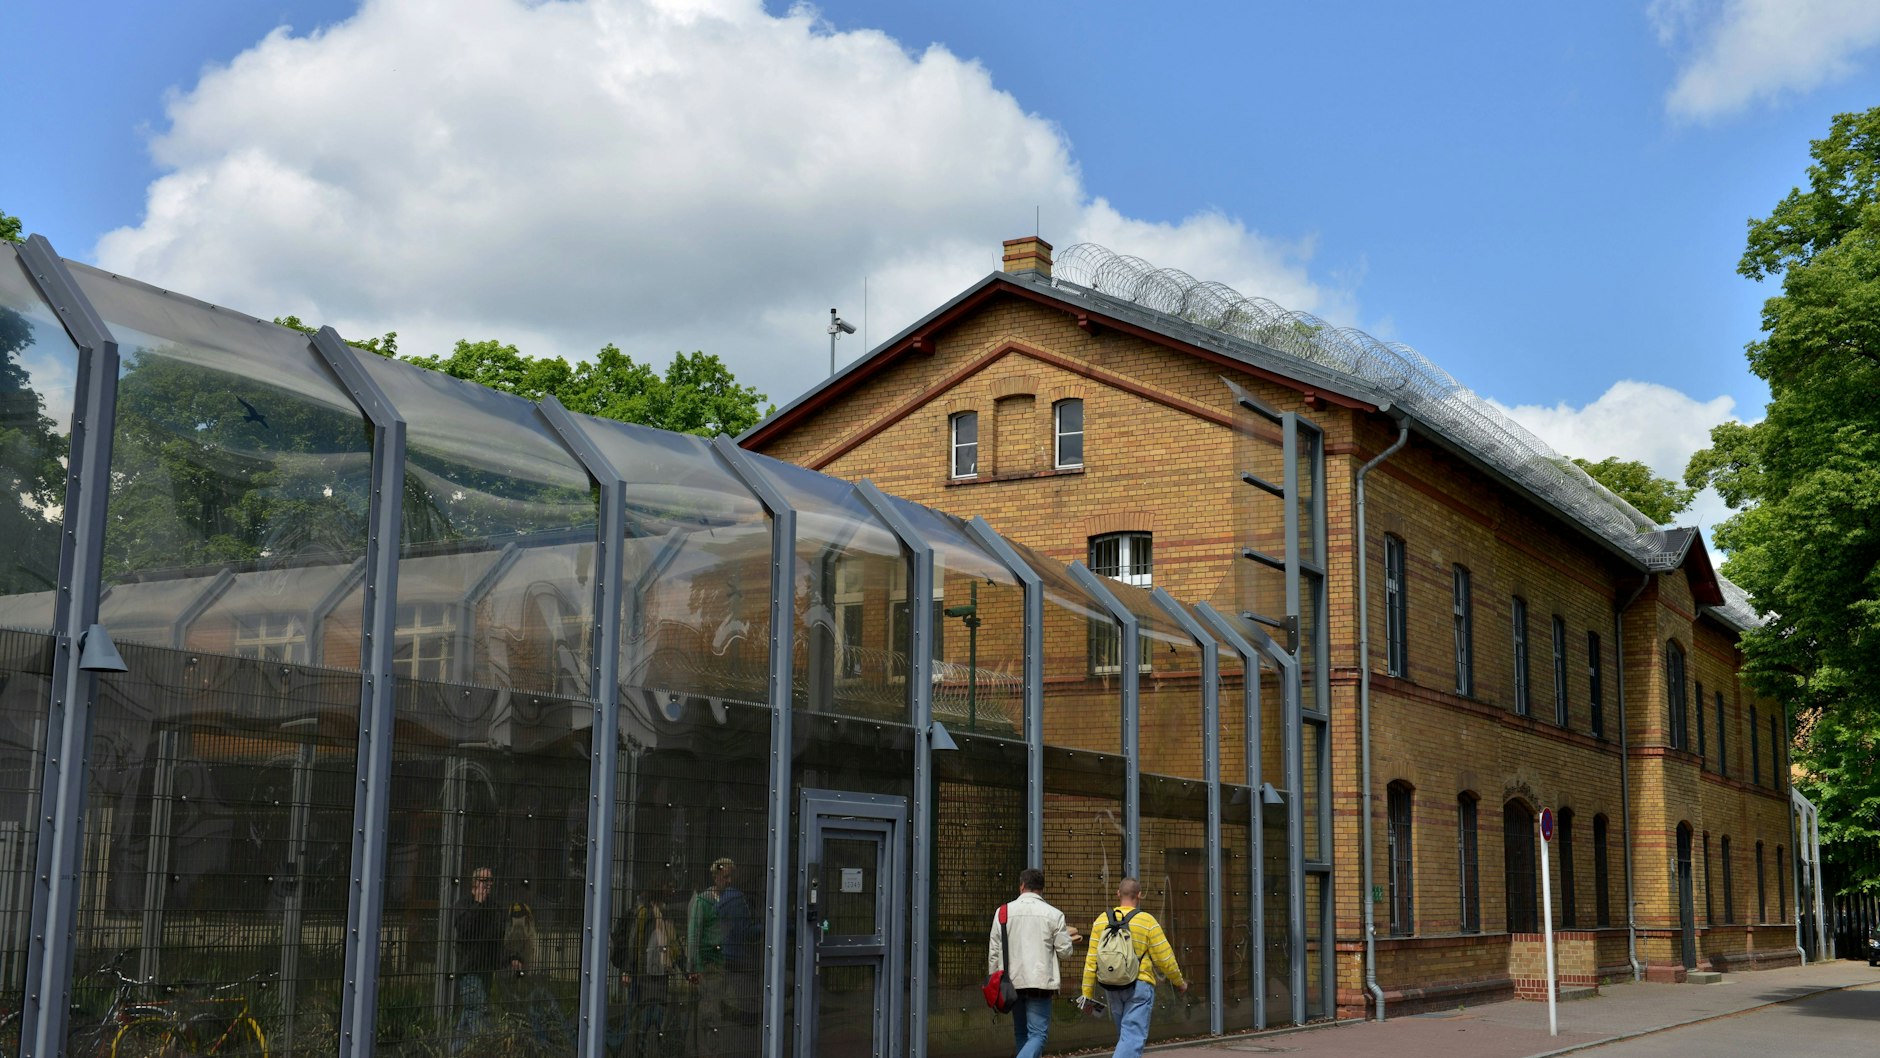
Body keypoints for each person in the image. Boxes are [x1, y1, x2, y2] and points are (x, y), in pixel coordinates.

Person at [1079, 877, 1187, 1058]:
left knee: (1126, 1037)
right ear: (1139, 895)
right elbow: (1165, 958)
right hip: (1139, 986)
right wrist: (1179, 982)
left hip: (1112, 986)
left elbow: (1091, 962)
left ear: (1118, 894)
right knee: (1132, 1037)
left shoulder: (1101, 921)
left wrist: (1086, 995)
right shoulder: (1147, 921)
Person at [986, 867, 1082, 1058]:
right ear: (1041, 888)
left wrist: (994, 979)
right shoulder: (1054, 914)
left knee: (1021, 1033)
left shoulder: (1003, 912)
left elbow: (994, 951)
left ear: (1022, 886)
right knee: (1038, 1035)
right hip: (1040, 982)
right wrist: (1067, 940)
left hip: (1011, 983)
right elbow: (1065, 953)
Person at [688, 857, 756, 1051]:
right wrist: (695, 968)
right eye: (725, 877)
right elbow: (694, 935)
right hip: (709, 965)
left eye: (730, 877)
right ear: (716, 877)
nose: (729, 881)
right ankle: (709, 1051)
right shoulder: (703, 901)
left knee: (727, 1011)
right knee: (711, 1014)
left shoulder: (731, 900)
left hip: (725, 965)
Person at [614, 883, 688, 1057]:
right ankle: (627, 1049)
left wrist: (686, 970)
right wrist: (628, 971)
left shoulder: (663, 914)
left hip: (657, 976)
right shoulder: (644, 913)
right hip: (643, 977)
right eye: (669, 887)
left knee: (651, 1019)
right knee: (639, 1018)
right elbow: (634, 943)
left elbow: (673, 944)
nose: (673, 891)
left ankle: (642, 1050)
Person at [452, 866, 507, 1052]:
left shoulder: (495, 907)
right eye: (484, 881)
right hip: (470, 970)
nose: (488, 884)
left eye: (490, 880)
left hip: (486, 969)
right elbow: (464, 930)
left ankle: (455, 1051)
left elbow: (498, 938)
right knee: (478, 1010)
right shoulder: (464, 904)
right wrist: (478, 905)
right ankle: (489, 1049)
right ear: (475, 883)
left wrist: (509, 958)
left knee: (470, 1012)